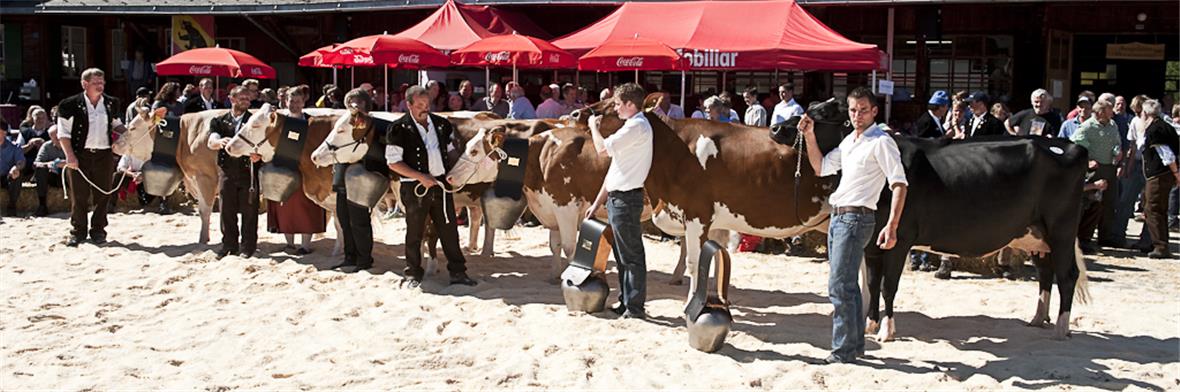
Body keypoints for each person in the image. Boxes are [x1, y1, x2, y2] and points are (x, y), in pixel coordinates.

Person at [798, 86, 908, 364]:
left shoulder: (881, 141)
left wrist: (893, 225)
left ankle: (844, 351)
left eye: (862, 110)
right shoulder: (850, 140)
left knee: (839, 285)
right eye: (853, 110)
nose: (857, 115)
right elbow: (821, 167)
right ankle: (854, 346)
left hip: (856, 217)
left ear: (874, 111)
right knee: (847, 286)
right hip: (840, 216)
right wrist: (810, 135)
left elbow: (899, 183)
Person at [385, 85, 477, 287]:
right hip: (415, 188)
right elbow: (393, 162)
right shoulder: (398, 128)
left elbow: (452, 151)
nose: (424, 108)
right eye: (419, 105)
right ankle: (412, 274)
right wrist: (420, 176)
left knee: (449, 229)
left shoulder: (442, 125)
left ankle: (458, 273)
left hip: (441, 185)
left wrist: (455, 172)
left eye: (427, 104)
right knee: (415, 232)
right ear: (409, 105)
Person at [586, 82, 653, 319]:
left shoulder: (636, 126)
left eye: (617, 104)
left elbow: (602, 150)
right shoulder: (633, 127)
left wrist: (594, 127)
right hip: (619, 198)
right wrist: (596, 203)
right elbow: (612, 172)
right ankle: (627, 301)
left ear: (630, 104)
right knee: (624, 255)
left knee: (631, 255)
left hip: (626, 199)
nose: (615, 109)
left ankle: (634, 307)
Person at [56, 68, 125, 246]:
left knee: (103, 194)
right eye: (96, 83)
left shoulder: (111, 103)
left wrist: (130, 134)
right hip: (81, 154)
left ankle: (98, 231)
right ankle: (78, 231)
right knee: (79, 195)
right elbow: (63, 133)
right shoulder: (69, 104)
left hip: (104, 154)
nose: (100, 86)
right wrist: (70, 156)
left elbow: (117, 124)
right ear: (84, 84)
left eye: (102, 83)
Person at [268, 85, 327, 255]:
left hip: (306, 171)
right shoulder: (278, 121)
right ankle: (289, 244)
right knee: (285, 206)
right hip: (284, 169)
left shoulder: (311, 122)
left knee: (307, 206)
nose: (294, 104)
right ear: (285, 101)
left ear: (303, 102)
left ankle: (306, 245)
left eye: (297, 101)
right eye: (291, 101)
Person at [206, 86, 260, 258]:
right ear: (232, 99)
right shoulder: (220, 121)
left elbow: (263, 144)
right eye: (242, 98)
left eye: (248, 98)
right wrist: (219, 141)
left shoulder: (254, 121)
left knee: (249, 211)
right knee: (226, 210)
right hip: (227, 170)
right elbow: (211, 140)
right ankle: (229, 245)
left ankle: (247, 247)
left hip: (248, 170)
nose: (246, 101)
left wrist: (259, 156)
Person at [331, 89, 378, 273]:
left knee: (360, 222)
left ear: (365, 104)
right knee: (344, 219)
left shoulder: (370, 124)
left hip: (360, 180)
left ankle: (364, 259)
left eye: (357, 102)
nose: (353, 105)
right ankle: (349, 256)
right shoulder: (344, 122)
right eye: (350, 101)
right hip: (342, 177)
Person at [1071, 99, 1121, 253]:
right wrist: (1088, 160)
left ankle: (1105, 236)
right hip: (1094, 169)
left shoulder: (1113, 125)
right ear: (1100, 112)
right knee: (1091, 203)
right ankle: (1083, 238)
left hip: (1109, 167)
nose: (1112, 112)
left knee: (1109, 203)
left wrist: (1117, 151)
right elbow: (1075, 142)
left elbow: (1116, 141)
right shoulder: (1087, 126)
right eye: (1109, 109)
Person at [1138, 99, 1179, 258]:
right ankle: (1158, 243)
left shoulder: (1156, 129)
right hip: (1162, 175)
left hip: (1159, 175)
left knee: (1153, 209)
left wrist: (1176, 173)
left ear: (1146, 113)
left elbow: (1166, 155)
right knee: (1156, 209)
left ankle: (1160, 246)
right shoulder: (1164, 126)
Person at [33, 123, 67, 217]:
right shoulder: (47, 146)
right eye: (54, 137)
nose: (58, 139)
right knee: (40, 171)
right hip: (52, 174)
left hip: (68, 175)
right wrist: (49, 164)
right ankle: (42, 205)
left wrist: (66, 163)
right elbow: (36, 163)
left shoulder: (70, 144)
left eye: (58, 136)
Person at [0, 131, 24, 216]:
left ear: (4, 133)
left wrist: (16, 167)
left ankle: (12, 205)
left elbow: (21, 162)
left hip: (7, 175)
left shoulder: (15, 146)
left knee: (17, 176)